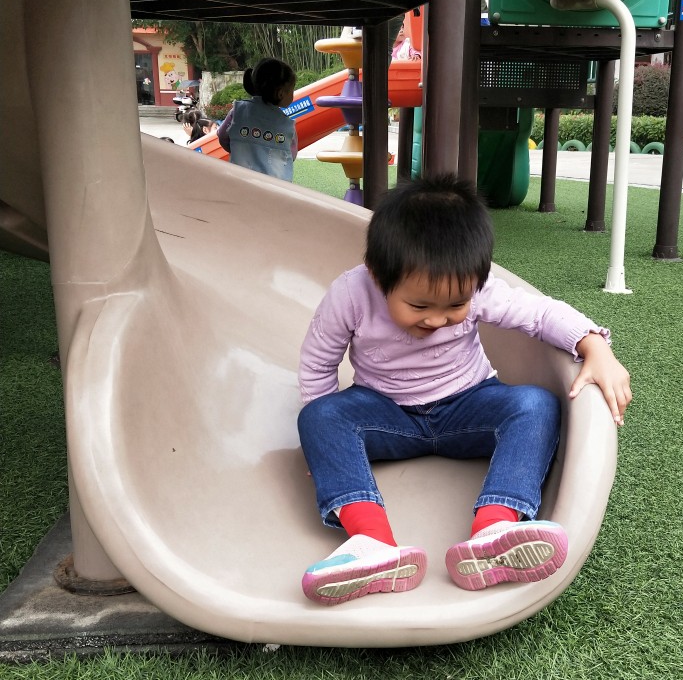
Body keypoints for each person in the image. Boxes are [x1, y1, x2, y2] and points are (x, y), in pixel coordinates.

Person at [297, 174, 631, 606]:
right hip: (386, 415)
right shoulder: (350, 293)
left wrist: (593, 345)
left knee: (535, 404)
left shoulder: (478, 288)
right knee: (320, 416)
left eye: (456, 306)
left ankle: (494, 529)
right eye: (419, 306)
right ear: (379, 276)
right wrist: (326, 450)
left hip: (468, 407)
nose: (437, 320)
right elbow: (318, 364)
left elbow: (538, 313)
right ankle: (372, 544)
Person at [217, 59, 298, 180]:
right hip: (274, 187)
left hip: (240, 181)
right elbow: (291, 154)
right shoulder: (286, 124)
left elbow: (222, 136)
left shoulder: (238, 111)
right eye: (292, 89)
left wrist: (237, 146)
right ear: (281, 93)